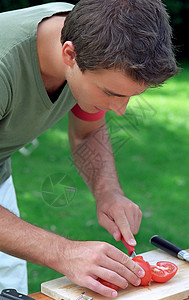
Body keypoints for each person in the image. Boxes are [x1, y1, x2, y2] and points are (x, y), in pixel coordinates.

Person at [0, 0, 179, 297]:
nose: (120, 110)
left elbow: (88, 131)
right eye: (111, 93)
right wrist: (63, 252)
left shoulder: (94, 37)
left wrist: (107, 190)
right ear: (70, 54)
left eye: (130, 97)